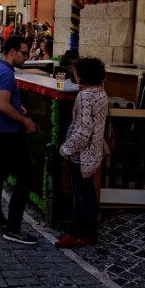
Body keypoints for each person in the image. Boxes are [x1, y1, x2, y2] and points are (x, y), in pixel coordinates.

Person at [0, 35, 39, 245]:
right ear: (12, 52)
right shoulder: (6, 74)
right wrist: (25, 119)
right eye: (24, 53)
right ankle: (13, 228)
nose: (26, 57)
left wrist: (15, 107)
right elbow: (3, 105)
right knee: (26, 179)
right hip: (9, 134)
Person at [56, 58, 109, 249]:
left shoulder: (86, 96)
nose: (74, 75)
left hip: (81, 155)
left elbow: (84, 129)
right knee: (87, 194)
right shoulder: (100, 93)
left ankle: (79, 233)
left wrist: (66, 149)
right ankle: (87, 232)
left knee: (80, 195)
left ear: (83, 75)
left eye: (76, 72)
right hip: (92, 154)